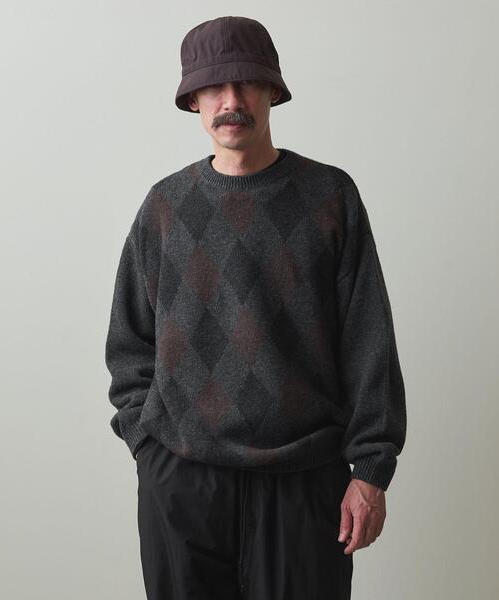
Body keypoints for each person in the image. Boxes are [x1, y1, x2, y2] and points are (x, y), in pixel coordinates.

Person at [104, 15, 407, 600]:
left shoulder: (330, 197)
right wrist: (149, 448)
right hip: (183, 481)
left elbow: (369, 340)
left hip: (304, 482)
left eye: (246, 82)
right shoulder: (165, 207)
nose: (231, 101)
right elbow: (128, 342)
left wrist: (371, 471)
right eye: (214, 86)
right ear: (193, 100)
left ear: (273, 90)